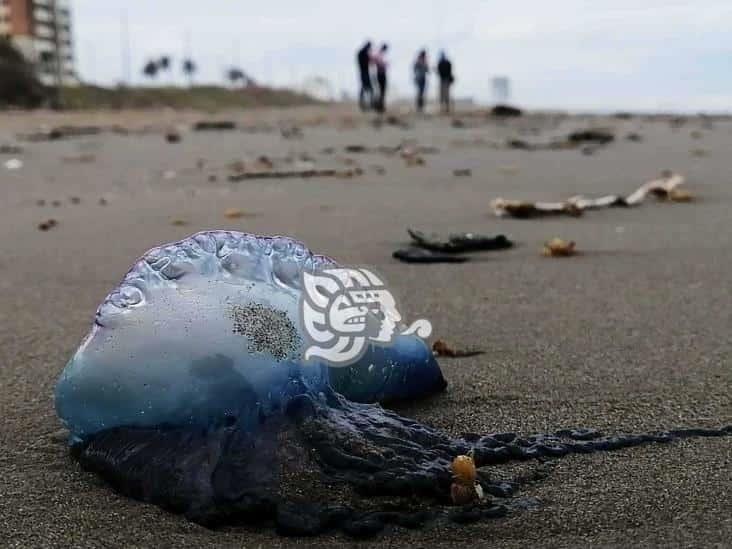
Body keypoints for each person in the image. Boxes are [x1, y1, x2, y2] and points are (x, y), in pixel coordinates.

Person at [372, 43, 389, 113]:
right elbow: (379, 63)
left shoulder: (379, 54)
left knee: (381, 91)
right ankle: (379, 106)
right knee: (381, 91)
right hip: (380, 74)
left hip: (380, 74)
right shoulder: (379, 54)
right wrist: (384, 64)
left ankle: (380, 106)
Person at [356, 41, 373, 111]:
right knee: (366, 89)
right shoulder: (363, 53)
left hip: (364, 72)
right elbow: (368, 62)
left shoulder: (361, 52)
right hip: (364, 72)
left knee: (365, 89)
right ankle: (364, 104)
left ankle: (364, 104)